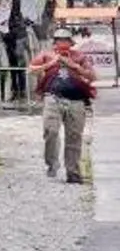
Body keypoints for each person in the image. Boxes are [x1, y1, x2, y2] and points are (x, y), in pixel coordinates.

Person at [33, 30, 97, 184]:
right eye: (59, 40)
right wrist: (50, 64)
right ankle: (52, 162)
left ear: (70, 42)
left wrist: (73, 66)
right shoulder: (46, 55)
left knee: (74, 137)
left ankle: (73, 171)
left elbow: (92, 76)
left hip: (76, 100)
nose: (62, 43)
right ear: (54, 43)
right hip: (53, 98)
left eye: (65, 40)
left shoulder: (80, 57)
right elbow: (31, 69)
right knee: (50, 131)